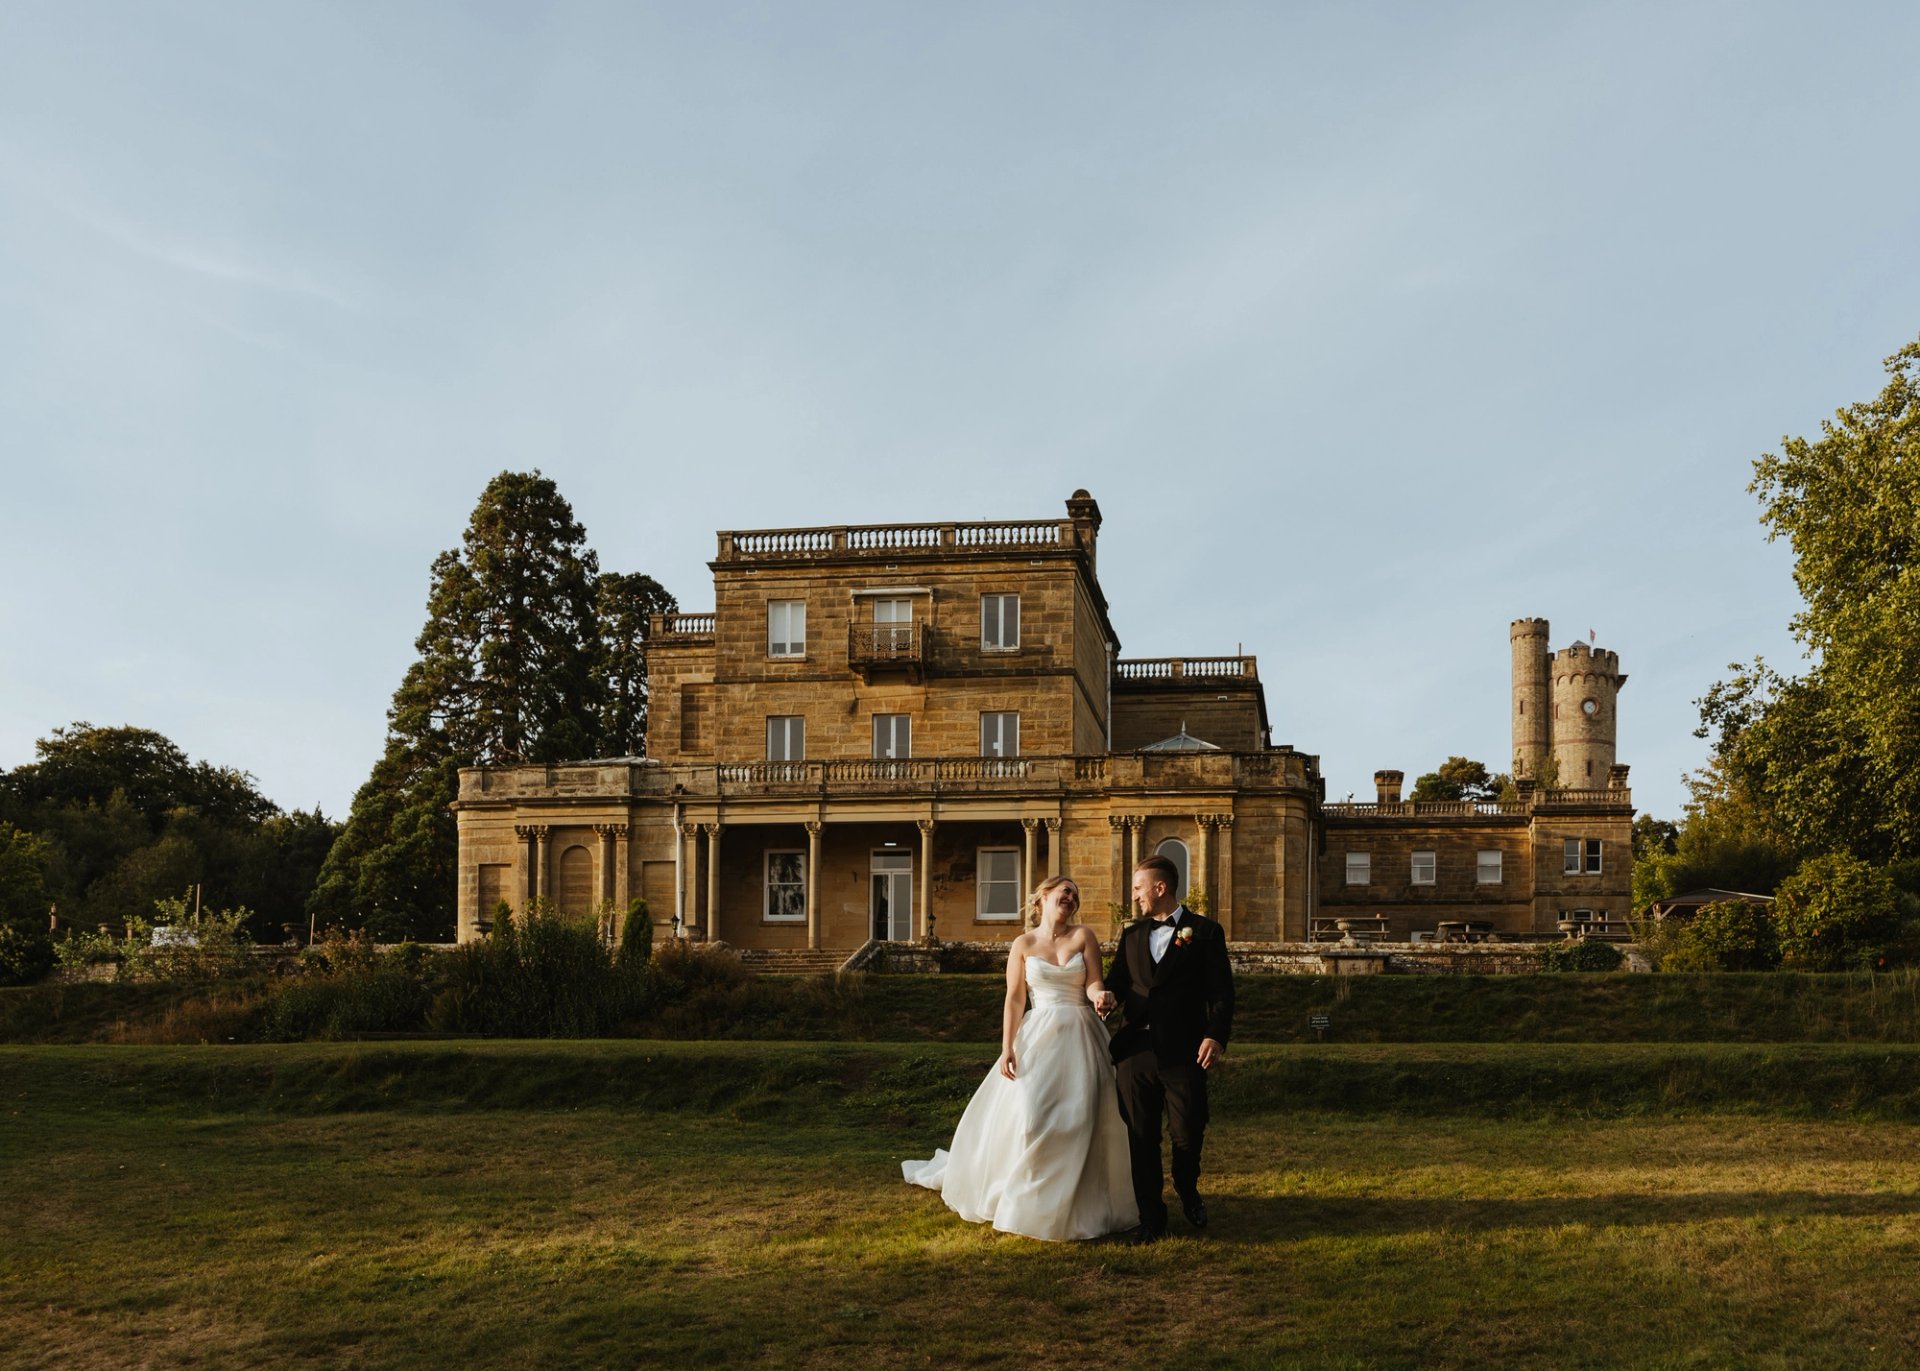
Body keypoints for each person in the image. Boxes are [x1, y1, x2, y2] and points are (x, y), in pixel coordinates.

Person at [901, 875, 1139, 1241]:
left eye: (1076, 895)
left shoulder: (1084, 937)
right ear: (1043, 896)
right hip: (1038, 1035)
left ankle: (1078, 1205)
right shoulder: (1023, 943)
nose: (1072, 898)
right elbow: (1014, 997)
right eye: (1065, 891)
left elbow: (1093, 981)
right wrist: (1007, 1046)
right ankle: (1026, 1197)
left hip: (1080, 1033)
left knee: (1082, 1116)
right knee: (1032, 1115)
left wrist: (1099, 995)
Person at [1105, 853, 1235, 1244]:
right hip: (1135, 1052)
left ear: (1160, 888)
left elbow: (1222, 994)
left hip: (1184, 1050)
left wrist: (1215, 1035)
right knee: (1140, 1138)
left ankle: (1186, 1186)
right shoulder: (1130, 936)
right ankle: (1151, 1219)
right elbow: (1116, 982)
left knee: (1188, 1131)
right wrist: (1107, 997)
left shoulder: (1206, 932)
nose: (1135, 897)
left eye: (1138, 889)